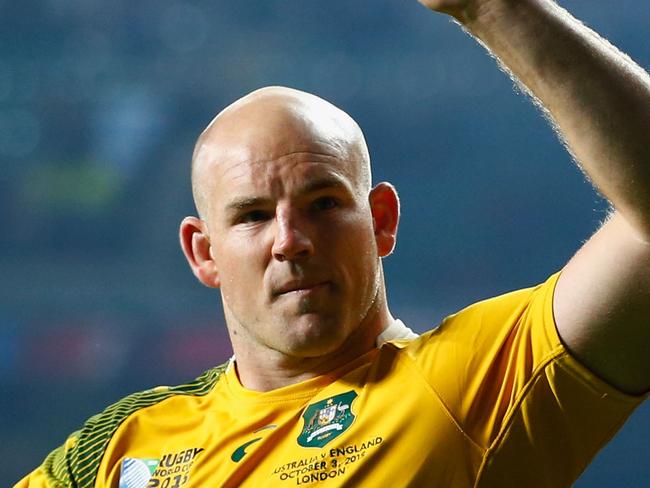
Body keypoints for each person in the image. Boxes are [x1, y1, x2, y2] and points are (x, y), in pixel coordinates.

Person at [17, 0, 649, 486]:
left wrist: (494, 9)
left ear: (380, 221)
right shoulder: (122, 446)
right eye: (253, 216)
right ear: (203, 252)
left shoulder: (471, 385)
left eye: (323, 204)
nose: (291, 239)